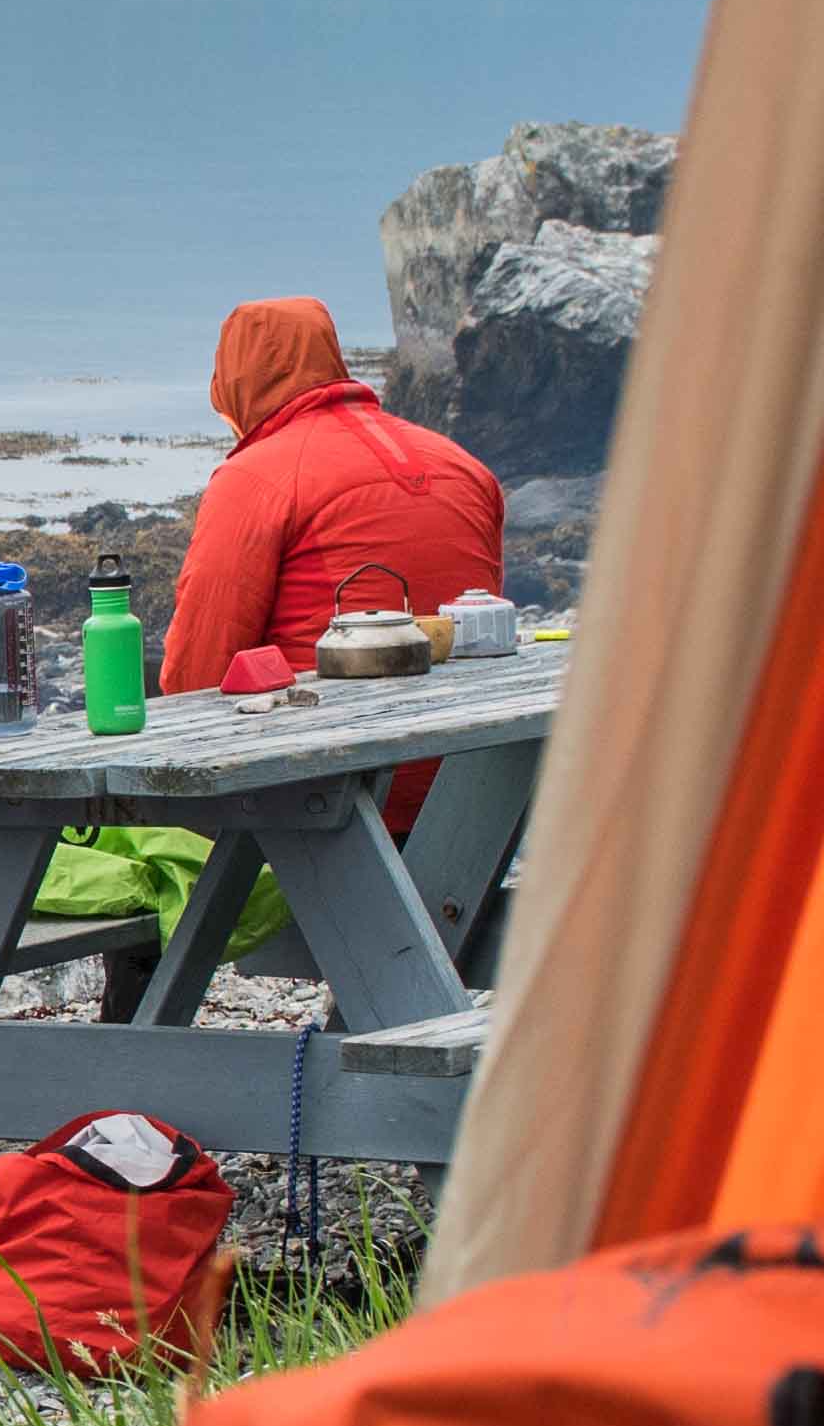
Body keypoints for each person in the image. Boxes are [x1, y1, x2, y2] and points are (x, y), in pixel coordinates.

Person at [25, 298, 501, 1010]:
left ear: (234, 384)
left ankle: (137, 1026)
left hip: (333, 798)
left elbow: (193, 678)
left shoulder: (258, 478)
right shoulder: (462, 465)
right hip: (470, 796)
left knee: (135, 719)